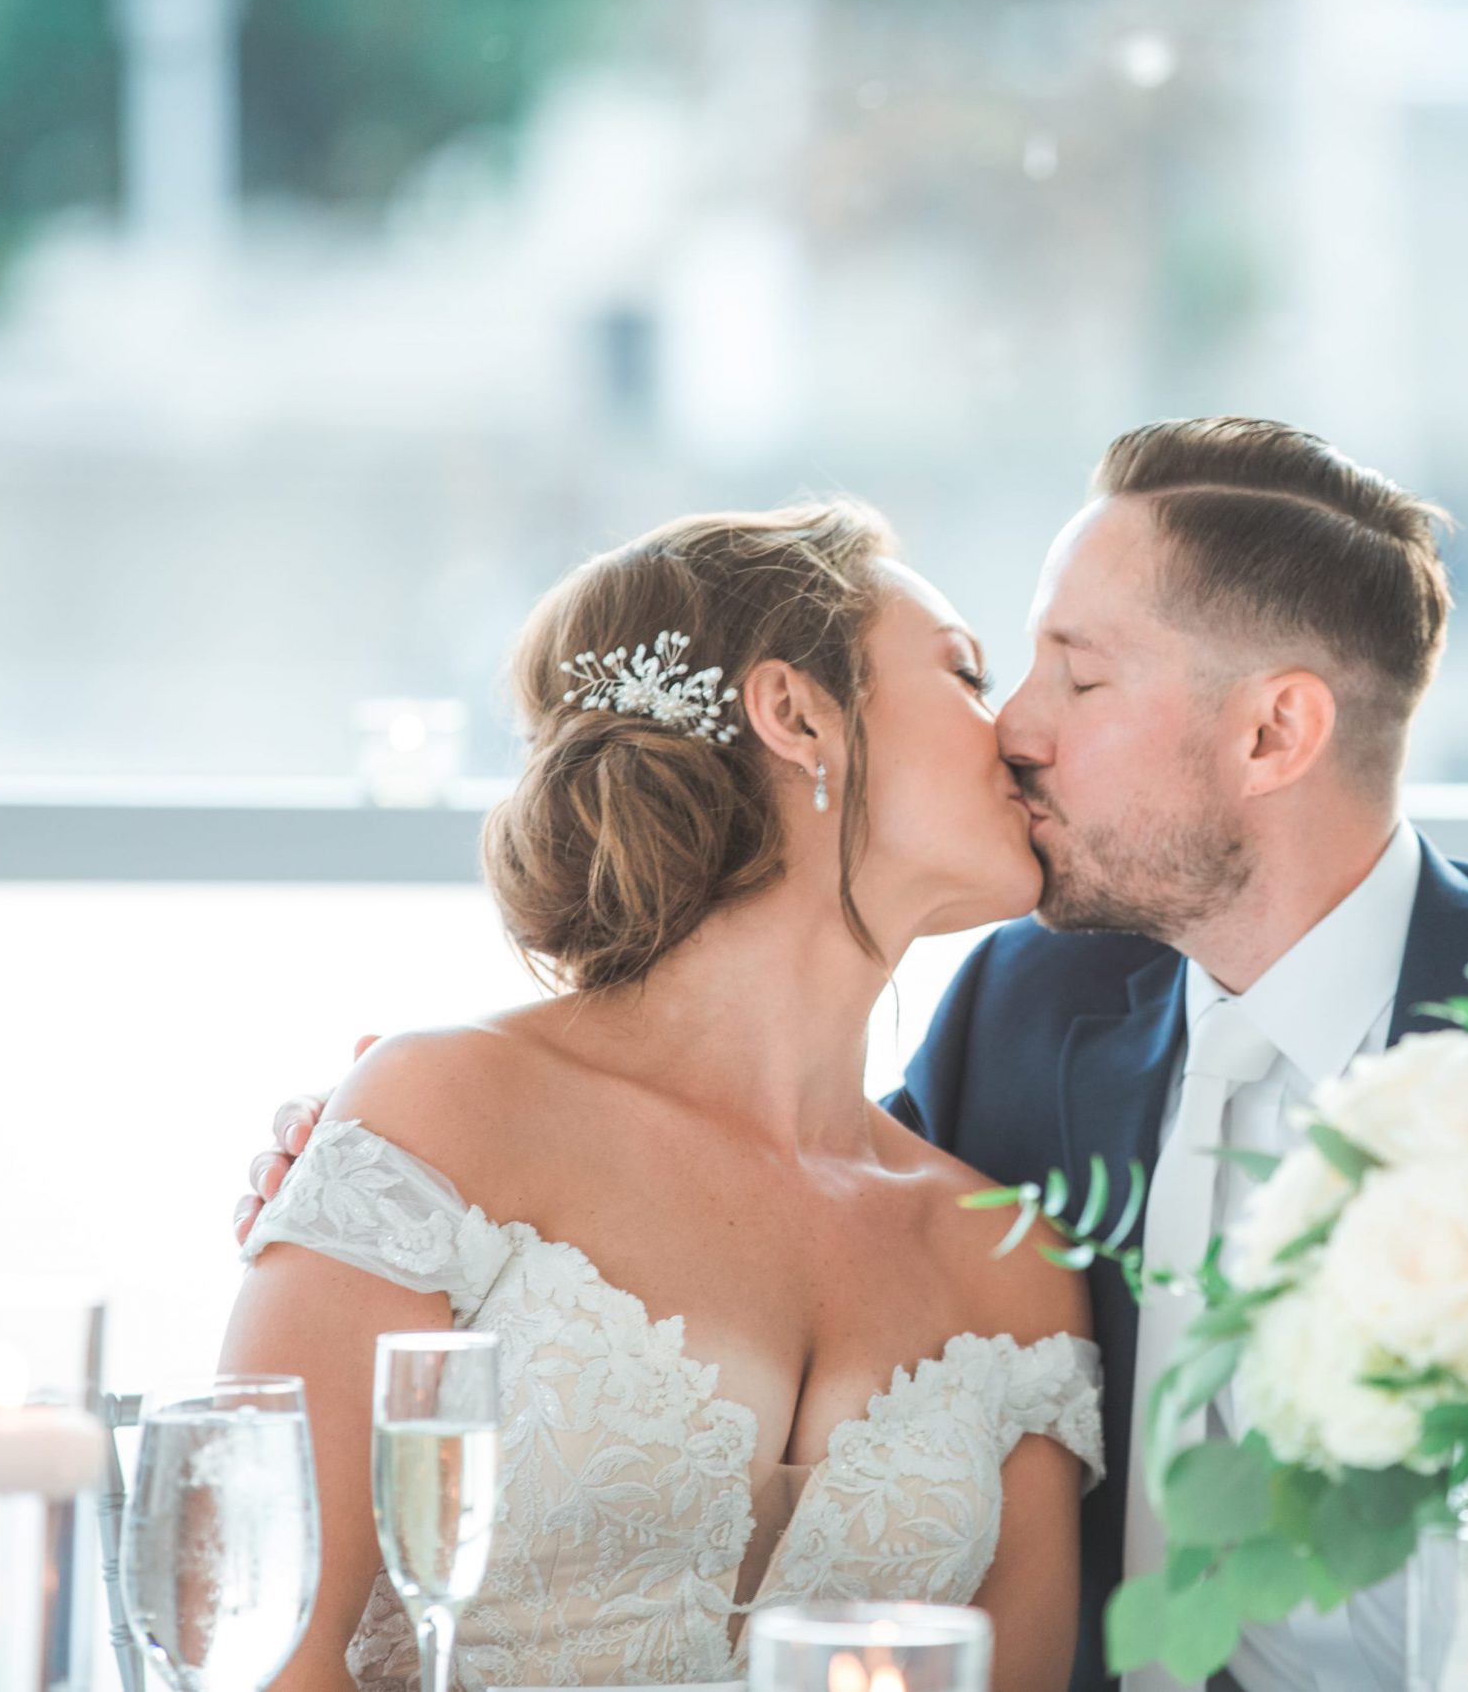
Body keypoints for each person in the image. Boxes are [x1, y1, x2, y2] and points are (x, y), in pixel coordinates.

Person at [245, 418, 1468, 1692]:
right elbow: (735, 1213)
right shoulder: (1025, 1021)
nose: (1017, 726)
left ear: (1273, 730)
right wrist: (384, 1176)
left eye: (1071, 677)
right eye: (986, 668)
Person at [225, 502, 1101, 1692]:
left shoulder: (1008, 1260)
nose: (1017, 733)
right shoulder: (447, 1117)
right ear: (797, 716)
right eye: (965, 673)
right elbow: (256, 1639)